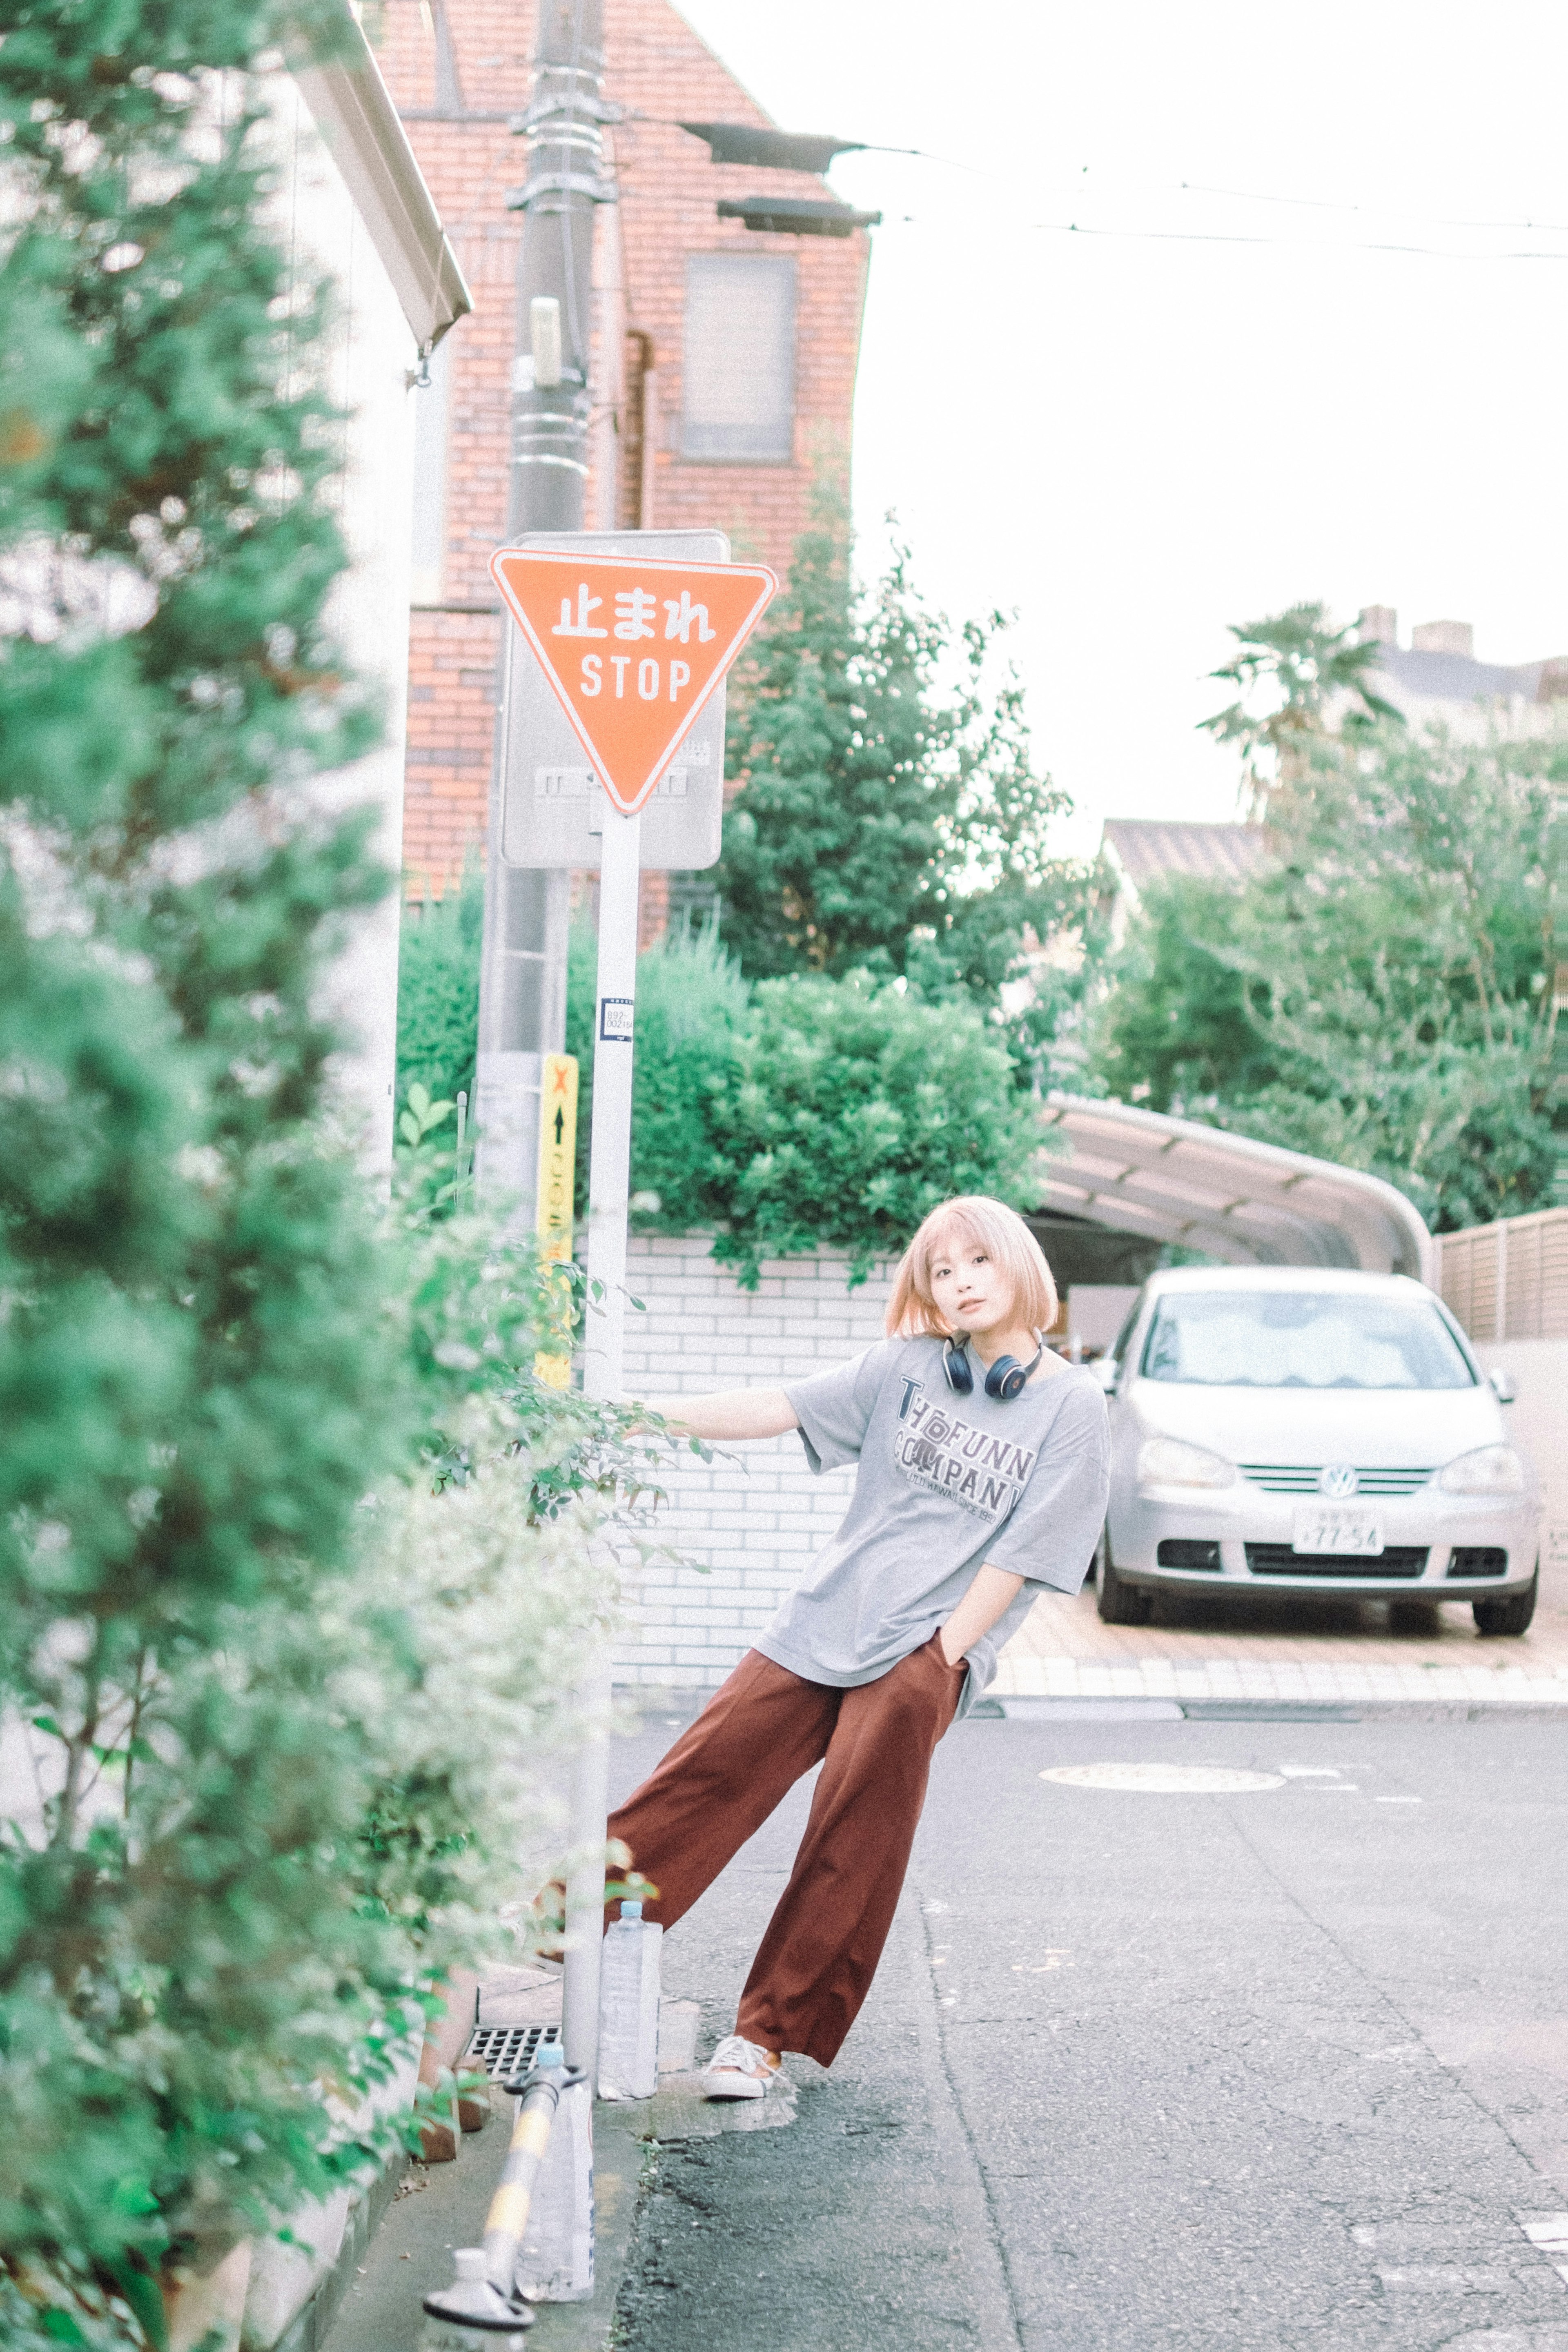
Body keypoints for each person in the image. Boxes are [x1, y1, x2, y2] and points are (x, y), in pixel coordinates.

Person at [611, 1194, 1109, 2099]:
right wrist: (646, 1415)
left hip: (923, 1650)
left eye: (977, 1263)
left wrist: (943, 1654)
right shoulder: (907, 1369)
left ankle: (759, 2038)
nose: (959, 1284)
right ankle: (543, 1945)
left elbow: (1029, 1552)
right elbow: (778, 1405)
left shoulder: (1071, 1406)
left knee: (852, 1837)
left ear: (1018, 1266)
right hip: (825, 1618)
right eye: (941, 1272)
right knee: (699, 1778)